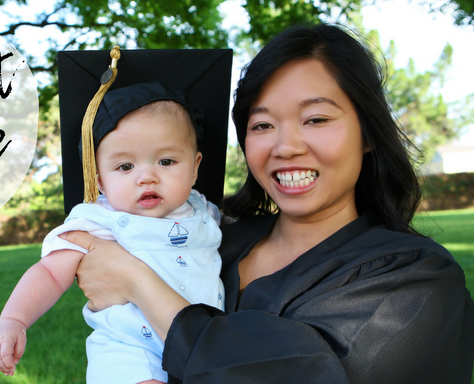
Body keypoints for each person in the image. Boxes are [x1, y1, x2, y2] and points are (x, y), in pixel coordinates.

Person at [63, 24, 474, 383]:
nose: (286, 146)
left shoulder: (417, 279)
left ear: (367, 133)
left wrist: (137, 282)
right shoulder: (212, 240)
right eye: (262, 125)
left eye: (315, 119)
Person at [0, 80, 228, 384]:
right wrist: (13, 320)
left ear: (194, 168)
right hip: (129, 349)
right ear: (99, 180)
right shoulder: (98, 219)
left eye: (166, 161)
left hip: (199, 343)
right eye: (125, 166)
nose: (147, 177)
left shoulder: (203, 211)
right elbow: (48, 273)